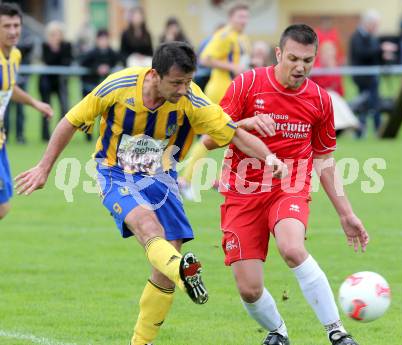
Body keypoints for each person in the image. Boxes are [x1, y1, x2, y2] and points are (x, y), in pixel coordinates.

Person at [15, 41, 287, 345]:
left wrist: (270, 158)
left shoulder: (192, 100)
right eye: (176, 82)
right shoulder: (119, 87)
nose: (183, 89)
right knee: (148, 227)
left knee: (164, 265)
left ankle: (141, 340)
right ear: (155, 75)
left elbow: (234, 134)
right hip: (114, 172)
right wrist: (44, 167)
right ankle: (185, 278)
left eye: (188, 81)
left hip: (162, 177)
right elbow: (70, 121)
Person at [203, 24, 369, 345]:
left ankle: (337, 332)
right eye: (293, 58)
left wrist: (346, 214)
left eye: (307, 60)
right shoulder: (247, 84)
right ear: (278, 53)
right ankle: (278, 331)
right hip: (243, 191)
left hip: (289, 185)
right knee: (249, 288)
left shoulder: (320, 100)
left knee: (292, 248)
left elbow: (323, 160)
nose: (300, 67)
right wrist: (243, 123)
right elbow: (209, 139)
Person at [179, 2, 251, 199]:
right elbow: (205, 58)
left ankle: (223, 179)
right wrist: (232, 66)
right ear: (231, 18)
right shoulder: (224, 36)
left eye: (246, 16)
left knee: (238, 133)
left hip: (235, 91)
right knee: (215, 137)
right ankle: (185, 180)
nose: (243, 20)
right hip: (220, 91)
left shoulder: (242, 38)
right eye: (240, 17)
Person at [0, 2, 53, 220]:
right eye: (6, 26)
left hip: (1, 142)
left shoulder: (15, 56)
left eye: (16, 25)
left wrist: (34, 103)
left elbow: (9, 87)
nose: (13, 31)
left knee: (2, 208)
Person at [349, 10, 397, 138]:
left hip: (373, 77)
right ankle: (362, 131)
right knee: (364, 106)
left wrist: (384, 56)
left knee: (373, 105)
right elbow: (362, 53)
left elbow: (374, 56)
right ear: (368, 23)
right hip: (363, 78)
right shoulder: (356, 37)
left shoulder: (371, 37)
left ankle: (376, 131)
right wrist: (381, 49)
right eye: (375, 25)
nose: (376, 28)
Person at [79, 28, 120, 141]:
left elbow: (119, 61)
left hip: (106, 89)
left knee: (105, 113)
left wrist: (109, 68)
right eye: (101, 39)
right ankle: (88, 136)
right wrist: (97, 68)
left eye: (105, 39)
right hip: (90, 86)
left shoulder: (112, 53)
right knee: (88, 113)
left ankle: (102, 135)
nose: (103, 42)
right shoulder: (91, 52)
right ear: (97, 40)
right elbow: (82, 63)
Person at [39, 21, 72, 141]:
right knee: (46, 108)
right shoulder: (45, 46)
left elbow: (66, 62)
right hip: (46, 80)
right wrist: (54, 49)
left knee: (64, 107)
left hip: (61, 80)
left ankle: (60, 134)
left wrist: (57, 50)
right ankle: (45, 135)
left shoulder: (67, 45)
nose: (55, 36)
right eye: (52, 34)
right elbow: (48, 61)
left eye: (57, 33)